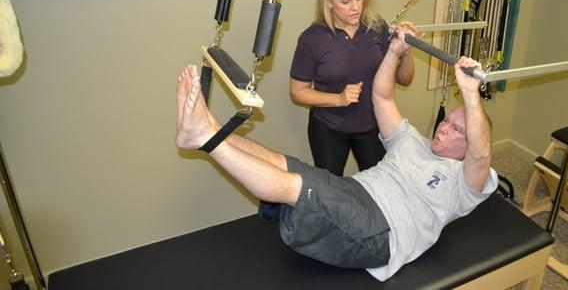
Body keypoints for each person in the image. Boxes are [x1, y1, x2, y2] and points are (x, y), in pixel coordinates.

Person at [175, 27, 497, 282]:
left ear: (468, 147)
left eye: (457, 131)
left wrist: (471, 96)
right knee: (282, 162)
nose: (444, 128)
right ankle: (209, 129)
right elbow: (382, 97)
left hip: (381, 230)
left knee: (293, 187)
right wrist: (395, 53)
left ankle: (203, 136)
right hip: (355, 189)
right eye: (447, 122)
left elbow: (482, 155)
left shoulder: (463, 184)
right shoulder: (412, 141)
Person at [289, 0, 415, 175]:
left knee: (378, 187)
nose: (355, 7)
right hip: (328, 128)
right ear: (329, 2)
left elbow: (404, 79)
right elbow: (297, 91)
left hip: (373, 125)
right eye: (346, 1)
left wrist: (406, 52)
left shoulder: (376, 28)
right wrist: (338, 99)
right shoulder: (313, 38)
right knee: (331, 191)